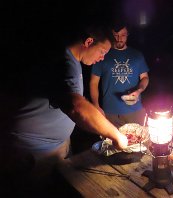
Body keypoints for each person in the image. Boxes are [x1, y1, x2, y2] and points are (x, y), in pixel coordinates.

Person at [0, 24, 128, 196]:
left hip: (55, 146)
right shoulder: (64, 61)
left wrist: (96, 112)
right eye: (102, 51)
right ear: (89, 42)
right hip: (33, 151)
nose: (102, 58)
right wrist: (116, 135)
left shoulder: (72, 60)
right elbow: (76, 107)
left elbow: (75, 98)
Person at [90, 22, 149, 128]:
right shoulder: (103, 53)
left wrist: (139, 90)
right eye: (115, 35)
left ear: (128, 35)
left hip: (134, 111)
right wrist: (96, 105)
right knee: (111, 144)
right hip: (109, 112)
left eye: (123, 35)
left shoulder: (137, 55)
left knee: (138, 142)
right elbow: (93, 83)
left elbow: (145, 78)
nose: (119, 38)